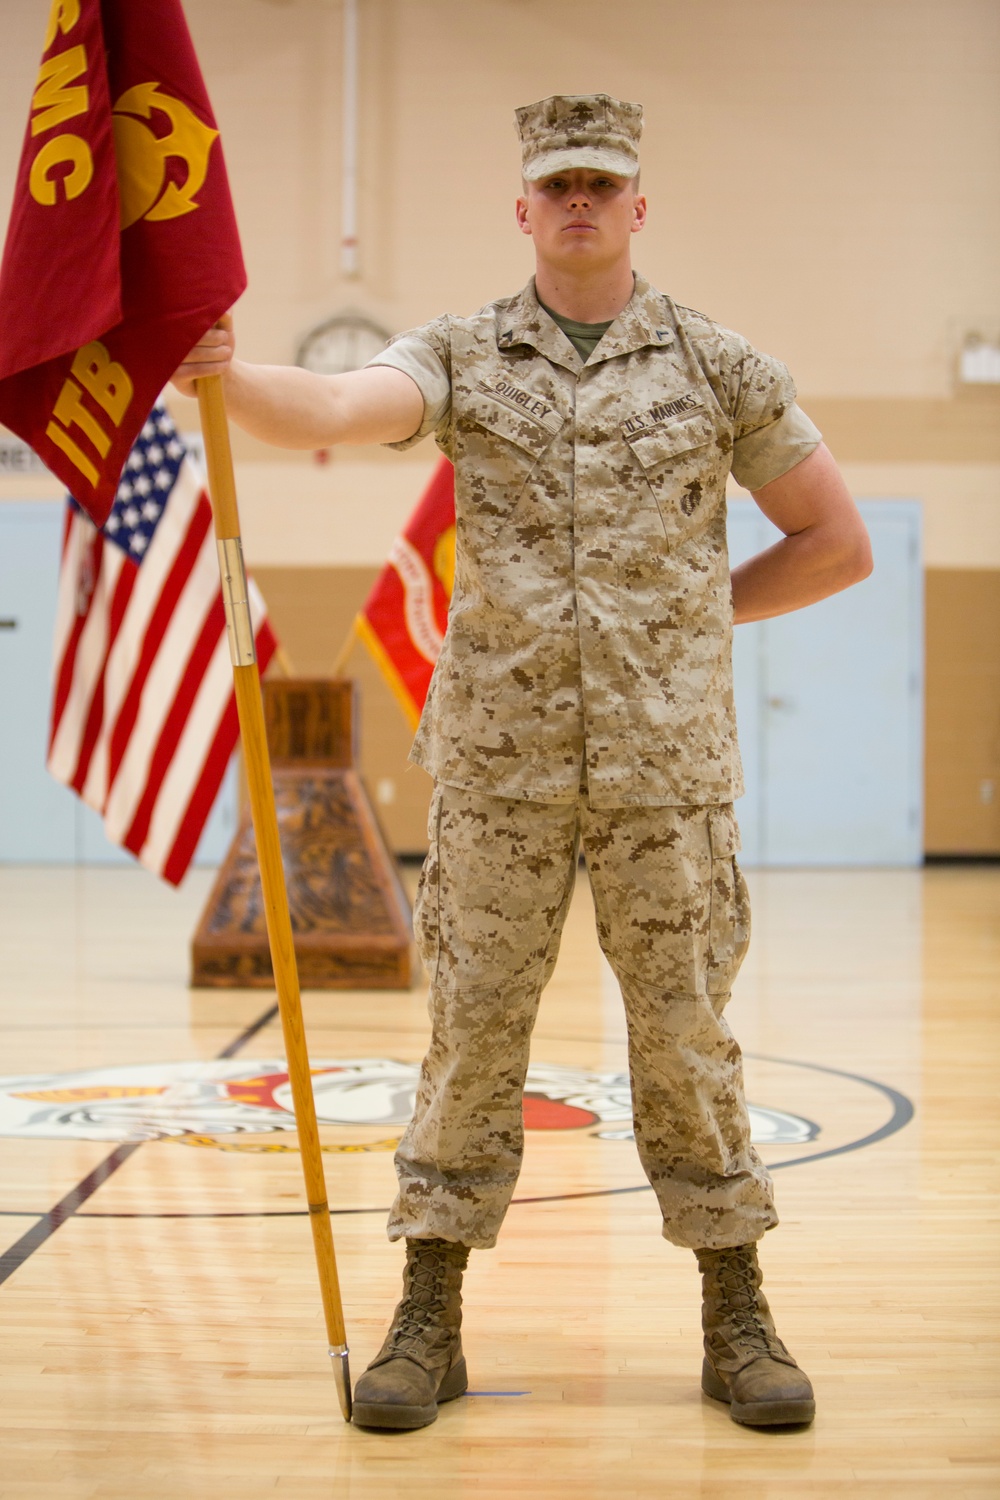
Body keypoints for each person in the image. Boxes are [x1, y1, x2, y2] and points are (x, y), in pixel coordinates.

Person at [174, 93, 872, 1433]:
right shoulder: (460, 355)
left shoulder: (720, 367)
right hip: (499, 773)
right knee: (470, 1044)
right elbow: (334, 398)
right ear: (523, 208)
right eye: (558, 186)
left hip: (667, 779)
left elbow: (836, 540)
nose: (580, 205)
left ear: (637, 206)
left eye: (602, 185)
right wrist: (225, 373)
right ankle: (426, 1317)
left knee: (685, 1045)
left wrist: (694, 612)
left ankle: (738, 1314)